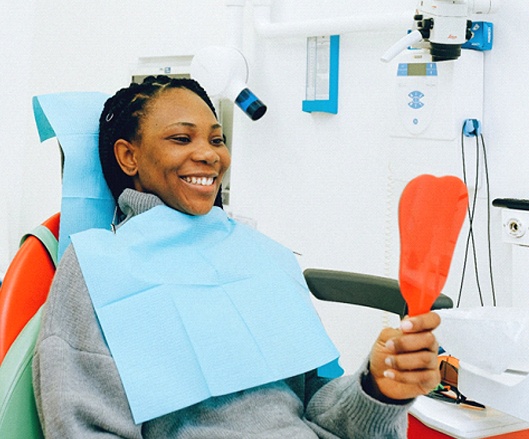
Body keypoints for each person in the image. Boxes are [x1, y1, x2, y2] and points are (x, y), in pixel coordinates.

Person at [33, 75, 441, 438]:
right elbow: (81, 425)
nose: (210, 155)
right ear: (129, 156)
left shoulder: (261, 256)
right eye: (181, 138)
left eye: (216, 139)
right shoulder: (98, 266)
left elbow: (320, 408)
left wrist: (378, 387)